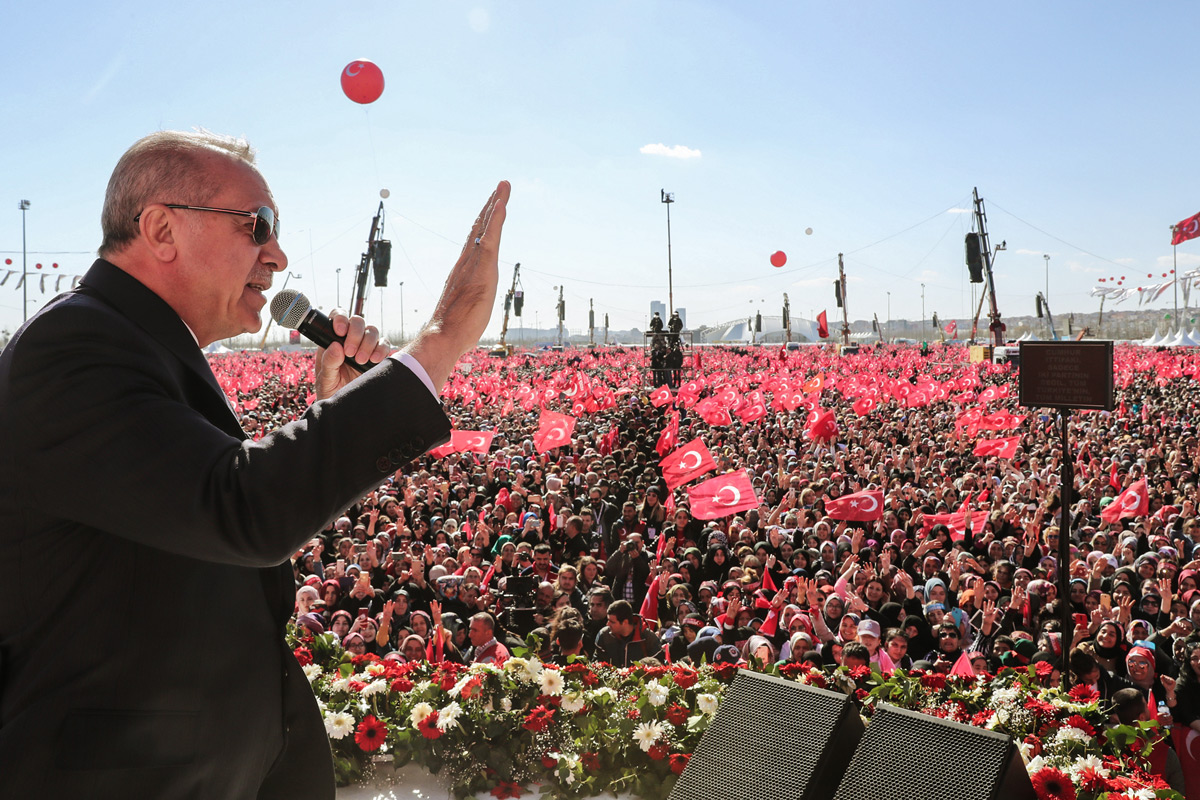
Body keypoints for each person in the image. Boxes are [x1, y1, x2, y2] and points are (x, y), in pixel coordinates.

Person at [0, 130, 509, 799]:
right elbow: (240, 509)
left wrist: (335, 407)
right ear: (160, 229)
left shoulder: (133, 346)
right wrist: (441, 341)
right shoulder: (75, 345)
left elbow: (203, 514)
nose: (278, 254)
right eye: (256, 225)